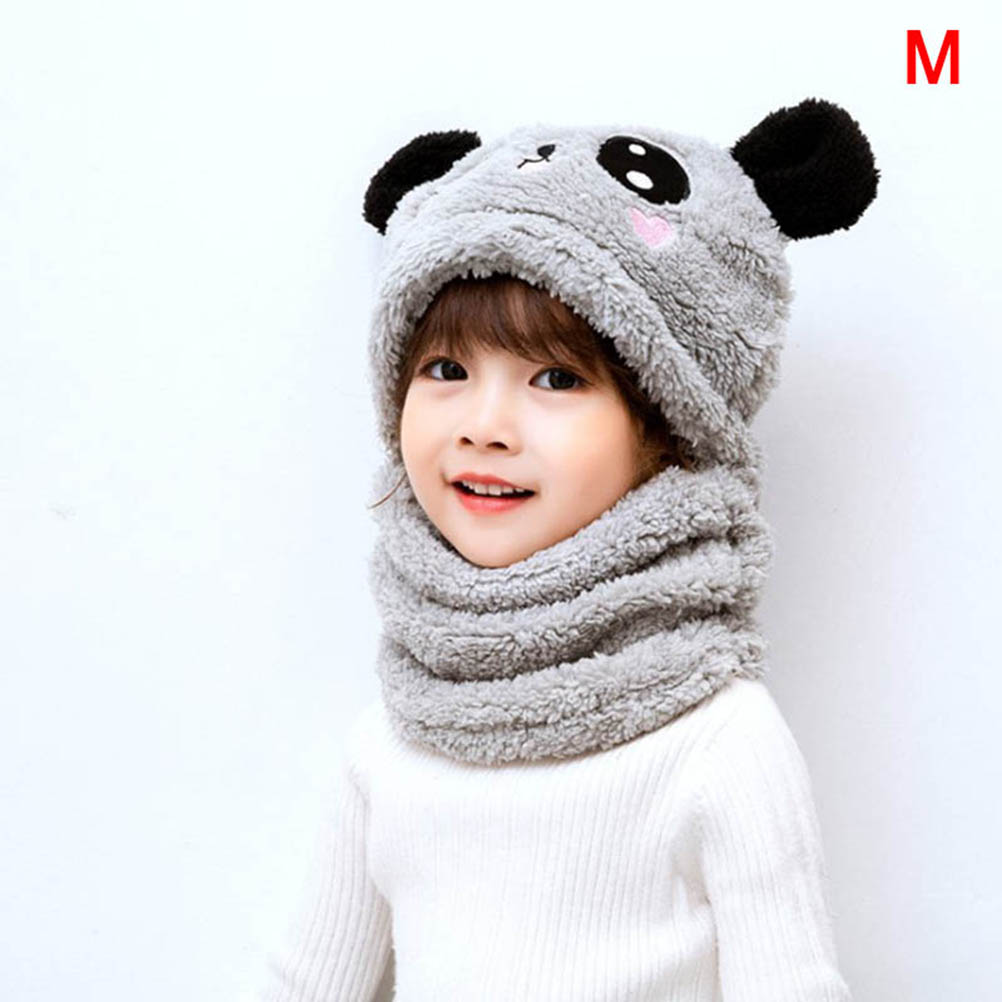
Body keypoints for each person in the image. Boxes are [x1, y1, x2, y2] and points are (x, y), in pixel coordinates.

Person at [259, 97, 879, 1001]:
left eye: (556, 377)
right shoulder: (393, 739)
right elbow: (307, 984)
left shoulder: (718, 740)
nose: (484, 426)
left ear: (666, 425)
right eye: (446, 369)